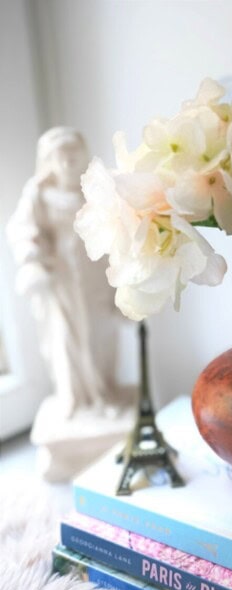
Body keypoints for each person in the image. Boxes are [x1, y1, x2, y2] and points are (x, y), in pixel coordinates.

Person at [7, 127, 109, 418]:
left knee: (99, 336)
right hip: (61, 279)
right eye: (60, 158)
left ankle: (104, 393)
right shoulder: (39, 194)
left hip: (93, 275)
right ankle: (74, 399)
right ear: (49, 161)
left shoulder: (93, 190)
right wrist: (31, 249)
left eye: (73, 158)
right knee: (66, 339)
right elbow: (21, 228)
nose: (67, 164)